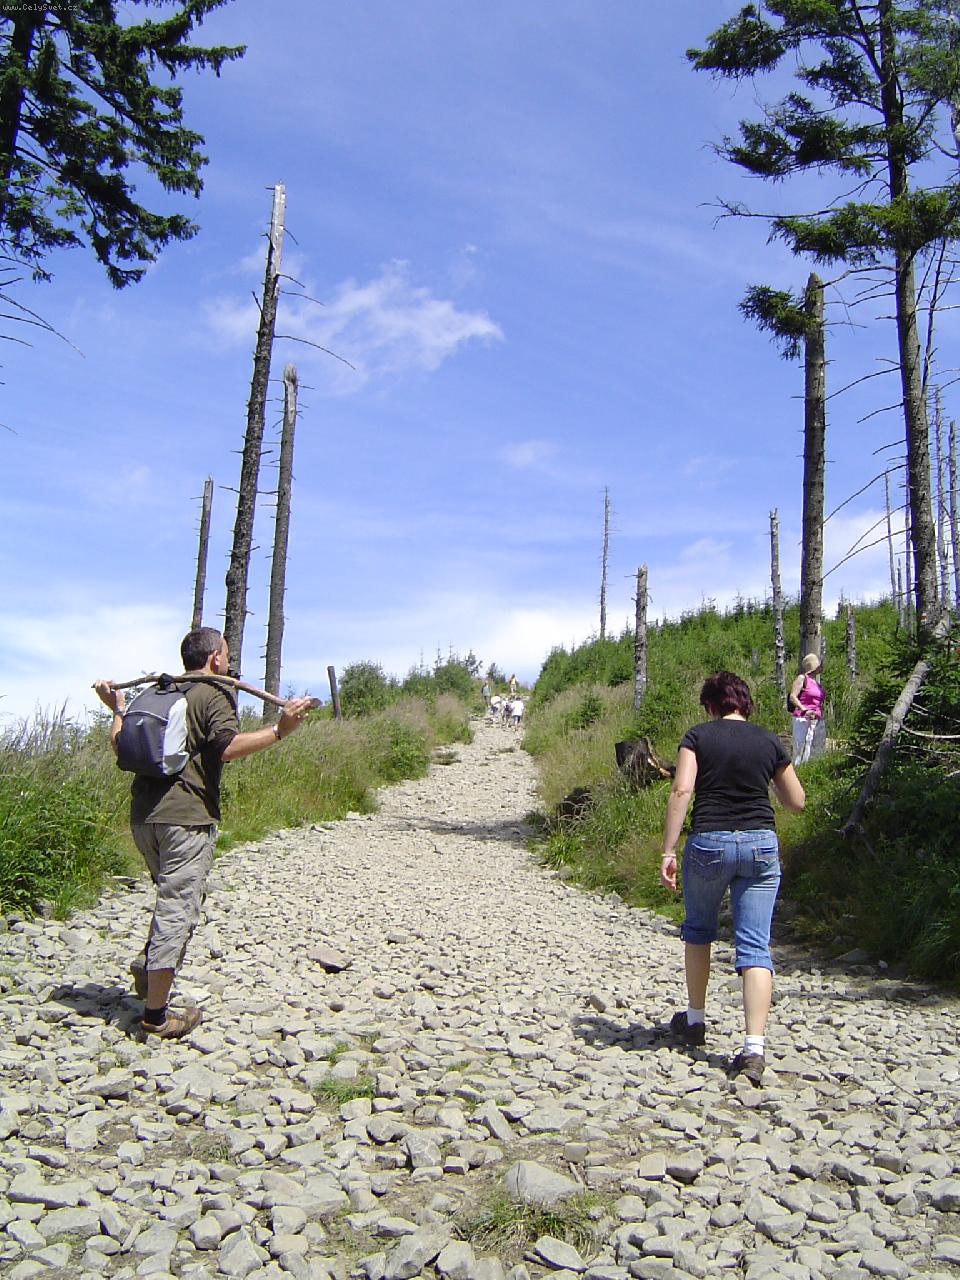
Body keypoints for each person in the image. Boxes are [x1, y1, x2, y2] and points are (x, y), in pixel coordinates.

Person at [94, 627, 314, 1040]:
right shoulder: (214, 693)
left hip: (143, 819)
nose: (228, 662)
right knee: (178, 908)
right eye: (226, 654)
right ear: (215, 659)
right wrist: (280, 730)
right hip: (187, 819)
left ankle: (148, 967)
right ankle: (156, 1017)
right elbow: (227, 748)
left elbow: (120, 746)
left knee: (176, 898)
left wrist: (117, 708)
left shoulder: (158, 691)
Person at [660, 671, 805, 1085]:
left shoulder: (698, 736)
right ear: (744, 702)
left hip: (709, 841)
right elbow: (797, 802)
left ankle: (695, 1020)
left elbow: (682, 791)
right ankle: (754, 1049)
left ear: (711, 705)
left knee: (699, 930)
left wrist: (668, 850)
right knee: (755, 945)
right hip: (760, 844)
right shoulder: (768, 741)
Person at [789, 652, 826, 765]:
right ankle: (797, 770)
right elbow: (793, 696)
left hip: (816, 719)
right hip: (802, 718)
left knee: (813, 749)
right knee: (799, 748)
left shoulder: (817, 684)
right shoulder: (802, 679)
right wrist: (804, 709)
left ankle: (808, 770)